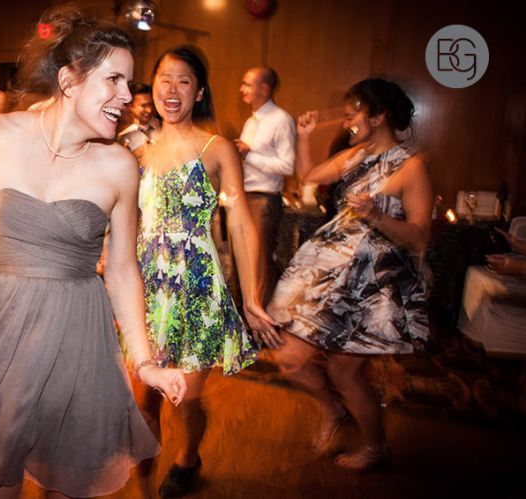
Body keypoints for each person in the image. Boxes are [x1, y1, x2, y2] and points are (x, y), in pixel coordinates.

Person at [0, 7, 186, 499]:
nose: (127, 96)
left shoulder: (119, 166)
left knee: (68, 477)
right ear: (69, 80)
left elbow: (123, 270)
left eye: (129, 83)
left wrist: (144, 361)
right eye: (114, 79)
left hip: (76, 336)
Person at [263, 78, 432, 470]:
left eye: (354, 112)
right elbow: (310, 176)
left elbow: (419, 236)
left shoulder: (411, 166)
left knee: (344, 373)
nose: (347, 120)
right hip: (327, 271)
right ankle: (332, 410)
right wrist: (304, 137)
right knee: (289, 357)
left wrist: (376, 216)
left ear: (379, 115)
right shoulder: (355, 156)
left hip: (370, 282)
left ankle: (376, 447)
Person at [134, 46, 277, 498]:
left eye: (184, 80)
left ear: (198, 93)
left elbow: (242, 224)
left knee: (184, 400)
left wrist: (251, 297)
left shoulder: (217, 149)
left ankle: (187, 458)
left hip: (196, 288)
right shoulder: (139, 152)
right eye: (165, 78)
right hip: (146, 289)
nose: (172, 89)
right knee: (142, 402)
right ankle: (142, 488)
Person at [234, 66, 295, 304]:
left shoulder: (281, 120)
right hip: (245, 195)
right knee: (245, 261)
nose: (242, 89)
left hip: (264, 199)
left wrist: (249, 154)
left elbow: (287, 166)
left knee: (259, 263)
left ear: (264, 88)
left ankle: (263, 315)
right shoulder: (252, 121)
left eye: (247, 84)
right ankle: (246, 312)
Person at [117, 82, 159, 155]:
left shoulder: (165, 127)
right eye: (143, 106)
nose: (149, 110)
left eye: (151, 105)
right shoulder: (125, 136)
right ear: (131, 106)